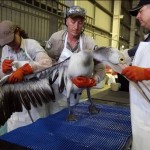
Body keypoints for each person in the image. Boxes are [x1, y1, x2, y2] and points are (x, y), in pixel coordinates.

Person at [46, 6, 105, 114]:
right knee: (55, 121)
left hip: (76, 93)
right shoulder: (56, 39)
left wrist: (93, 80)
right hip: (55, 93)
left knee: (72, 118)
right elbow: (46, 62)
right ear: (66, 21)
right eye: (73, 21)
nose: (76, 26)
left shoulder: (89, 43)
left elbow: (100, 67)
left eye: (80, 22)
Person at [0, 20, 52, 132]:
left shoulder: (31, 44)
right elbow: (2, 75)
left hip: (34, 98)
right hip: (14, 99)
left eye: (12, 41)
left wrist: (27, 69)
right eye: (7, 43)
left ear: (17, 32)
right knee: (15, 134)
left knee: (37, 132)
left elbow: (47, 63)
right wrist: (3, 70)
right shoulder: (5, 49)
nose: (11, 45)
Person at [121, 1, 150, 150]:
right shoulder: (147, 41)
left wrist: (146, 73)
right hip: (142, 114)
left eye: (140, 11)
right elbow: (128, 54)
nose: (137, 16)